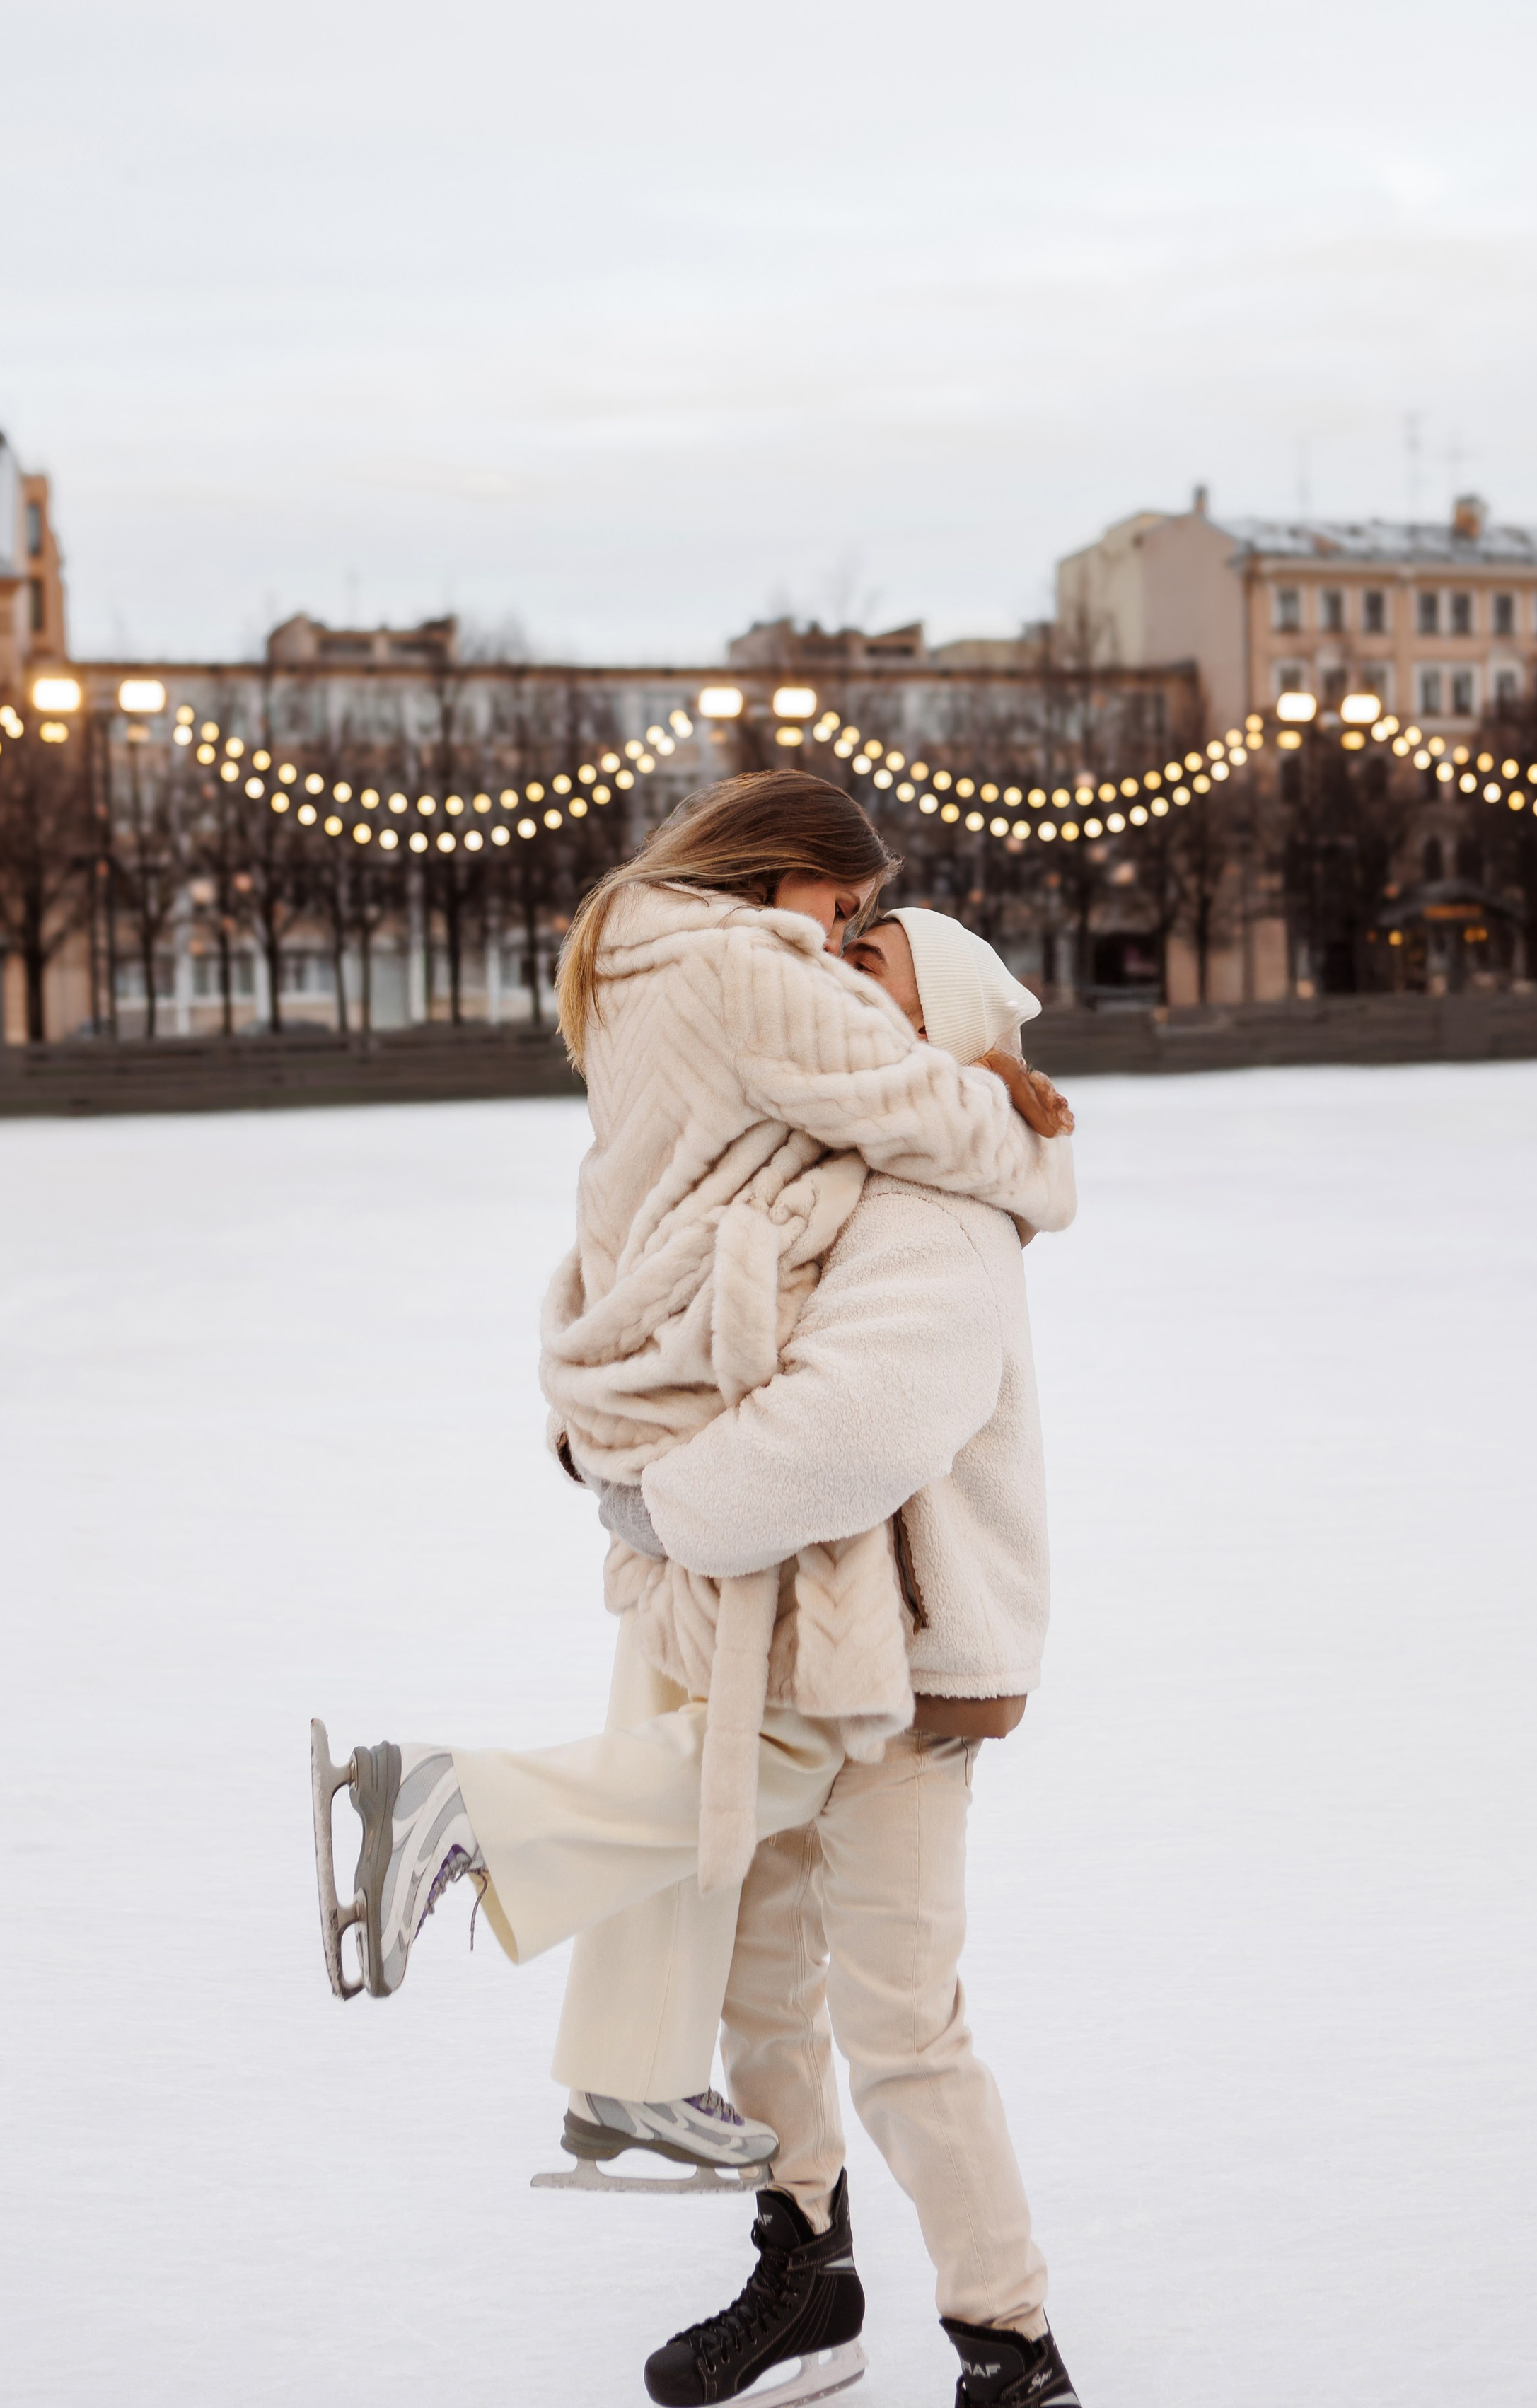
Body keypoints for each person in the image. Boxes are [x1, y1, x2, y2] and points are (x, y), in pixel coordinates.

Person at [310, 894, 1084, 2404]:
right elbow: (669, 1324)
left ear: (931, 1021)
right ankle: (807, 2278)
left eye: (862, 962)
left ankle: (1009, 2345)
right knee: (755, 1984)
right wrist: (609, 1427)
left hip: (906, 1670)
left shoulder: (933, 1209)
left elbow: (853, 1425)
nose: (820, 978)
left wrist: (658, 1505)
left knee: (899, 2025)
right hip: (780, 1640)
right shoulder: (821, 1167)